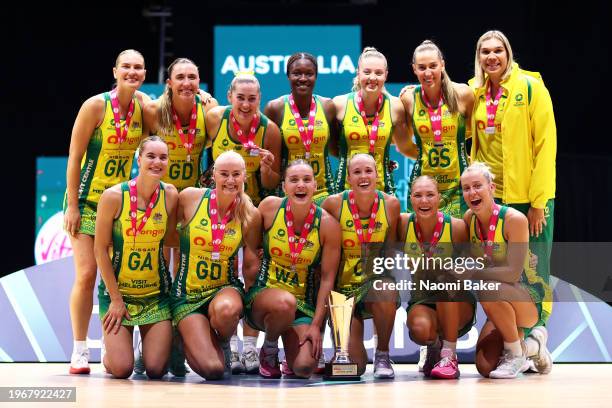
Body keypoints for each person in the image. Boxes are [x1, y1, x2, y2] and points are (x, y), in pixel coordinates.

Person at [470, 30, 556, 373]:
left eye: (498, 51)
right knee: (500, 272)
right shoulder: (474, 92)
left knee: (534, 269)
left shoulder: (531, 87)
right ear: (479, 57)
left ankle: (536, 333)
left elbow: (545, 145)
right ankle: (526, 347)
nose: (492, 57)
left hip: (526, 199)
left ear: (508, 53)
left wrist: (538, 201)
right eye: (485, 52)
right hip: (492, 199)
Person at [64, 49, 151, 374]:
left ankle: (124, 348)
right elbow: (75, 157)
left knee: (125, 277)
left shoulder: (145, 106)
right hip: (87, 202)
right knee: (87, 274)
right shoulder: (95, 106)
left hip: (120, 206)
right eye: (126, 66)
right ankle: (79, 349)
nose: (132, 71)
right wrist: (72, 205)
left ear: (144, 72)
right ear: (115, 71)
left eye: (138, 68)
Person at [206, 72, 282, 374]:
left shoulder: (270, 130)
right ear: (229, 97)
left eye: (253, 98)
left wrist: (266, 169)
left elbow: (273, 182)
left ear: (260, 99)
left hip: (251, 212)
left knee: (252, 272)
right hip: (218, 210)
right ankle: (227, 343)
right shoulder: (213, 119)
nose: (247, 104)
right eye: (241, 98)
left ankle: (249, 346)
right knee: (221, 271)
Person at [170, 150, 262, 380]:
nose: (230, 180)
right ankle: (179, 338)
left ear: (244, 177)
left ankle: (223, 343)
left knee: (228, 310)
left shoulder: (251, 214)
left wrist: (250, 313)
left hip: (223, 289)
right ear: (213, 175)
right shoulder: (190, 197)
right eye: (224, 174)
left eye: (236, 174)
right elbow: (171, 241)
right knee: (211, 369)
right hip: (187, 294)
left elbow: (250, 270)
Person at [245, 160, 341, 378]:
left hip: (301, 305)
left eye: (307, 180)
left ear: (315, 186)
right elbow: (251, 250)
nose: (301, 185)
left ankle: (290, 354)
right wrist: (247, 297)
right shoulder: (269, 207)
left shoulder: (328, 225)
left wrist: (316, 325)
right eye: (294, 180)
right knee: (283, 303)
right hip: (265, 295)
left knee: (304, 368)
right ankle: (268, 350)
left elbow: (327, 280)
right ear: (284, 186)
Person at [93, 136, 178, 379]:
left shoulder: (170, 195)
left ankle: (150, 346)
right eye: (151, 156)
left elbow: (170, 242)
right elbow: (100, 250)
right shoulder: (113, 197)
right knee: (121, 370)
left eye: (163, 157)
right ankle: (110, 351)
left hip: (155, 295)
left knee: (156, 370)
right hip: (119, 294)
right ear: (138, 159)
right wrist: (116, 299)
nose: (157, 162)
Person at [460, 162, 551, 379]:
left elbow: (511, 273)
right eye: (466, 188)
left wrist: (473, 273)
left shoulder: (514, 220)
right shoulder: (468, 220)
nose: (472, 192)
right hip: (499, 301)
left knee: (488, 286)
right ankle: (533, 347)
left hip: (530, 297)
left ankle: (516, 354)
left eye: (477, 186)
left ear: (491, 188)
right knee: (485, 366)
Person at [322, 153, 400, 378]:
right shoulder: (333, 204)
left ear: (377, 175)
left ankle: (383, 355)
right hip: (344, 292)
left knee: (386, 290)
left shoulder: (391, 204)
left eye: (368, 171)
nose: (363, 176)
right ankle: (343, 351)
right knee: (352, 367)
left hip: (374, 285)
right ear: (348, 178)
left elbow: (391, 251)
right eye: (357, 172)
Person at [399, 175, 475, 379]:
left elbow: (471, 264)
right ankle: (434, 347)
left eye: (430, 195)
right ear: (410, 199)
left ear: (439, 198)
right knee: (420, 329)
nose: (424, 201)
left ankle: (449, 356)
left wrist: (455, 270)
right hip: (423, 299)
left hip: (455, 300)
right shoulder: (402, 224)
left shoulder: (457, 227)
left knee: (446, 281)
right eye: (418, 195)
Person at [400, 40, 474, 217]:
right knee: (422, 243)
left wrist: (460, 151)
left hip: (459, 185)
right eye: (422, 67)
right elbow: (404, 144)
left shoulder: (463, 94)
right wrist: (424, 153)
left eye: (433, 66)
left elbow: (474, 131)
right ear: (414, 69)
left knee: (460, 242)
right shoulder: (408, 98)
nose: (428, 73)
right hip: (423, 187)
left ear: (442, 65)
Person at [333, 47, 415, 195]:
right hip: (345, 190)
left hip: (384, 190)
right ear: (358, 73)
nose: (372, 77)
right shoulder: (339, 104)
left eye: (378, 73)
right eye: (367, 72)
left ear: (386, 75)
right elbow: (332, 146)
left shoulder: (395, 107)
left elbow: (405, 145)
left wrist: (414, 92)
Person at [264, 52, 338, 205]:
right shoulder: (275, 108)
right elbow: (270, 161)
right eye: (297, 73)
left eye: (309, 74)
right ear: (288, 76)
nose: (303, 78)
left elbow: (336, 149)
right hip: (287, 195)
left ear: (316, 76)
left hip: (324, 193)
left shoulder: (327, 106)